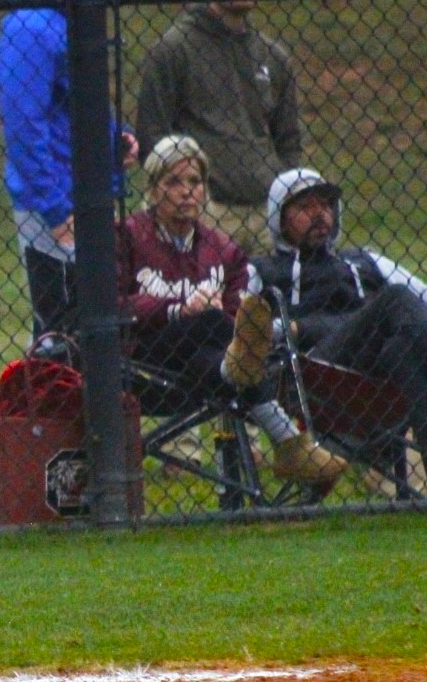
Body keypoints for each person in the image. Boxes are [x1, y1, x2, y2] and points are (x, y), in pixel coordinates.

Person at [251, 168, 427, 500]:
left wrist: (405, 325)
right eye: (304, 207)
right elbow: (248, 331)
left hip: (380, 370)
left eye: (324, 204)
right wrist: (305, 328)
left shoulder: (363, 260)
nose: (319, 214)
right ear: (279, 220)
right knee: (395, 299)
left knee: (403, 347)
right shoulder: (262, 270)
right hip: (313, 373)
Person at [119, 137, 345, 487]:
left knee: (220, 345)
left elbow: (238, 313)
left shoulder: (224, 250)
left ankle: (236, 371)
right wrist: (178, 309)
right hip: (145, 353)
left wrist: (218, 315)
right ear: (152, 188)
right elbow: (114, 303)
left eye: (195, 181)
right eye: (173, 181)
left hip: (204, 363)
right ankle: (288, 440)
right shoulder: (128, 236)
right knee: (212, 325)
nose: (186, 192)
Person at [0, 0, 135, 337]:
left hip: (88, 194)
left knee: (100, 323)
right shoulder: (31, 28)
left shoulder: (72, 21)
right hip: (57, 200)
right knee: (63, 328)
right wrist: (56, 211)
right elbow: (24, 125)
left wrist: (115, 138)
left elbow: (77, 107)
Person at [136, 0, 301, 254]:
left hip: (265, 210)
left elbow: (289, 141)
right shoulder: (175, 49)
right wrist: (187, 194)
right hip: (208, 210)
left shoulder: (272, 55)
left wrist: (281, 193)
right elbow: (153, 136)